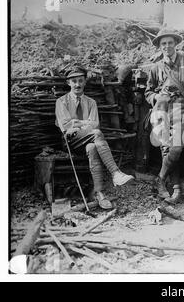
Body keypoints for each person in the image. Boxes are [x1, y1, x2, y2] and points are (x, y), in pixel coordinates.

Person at [55, 66, 134, 209]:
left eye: (80, 80)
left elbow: (95, 123)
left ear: (85, 82)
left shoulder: (91, 102)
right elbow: (66, 126)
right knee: (96, 134)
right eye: (74, 81)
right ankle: (115, 173)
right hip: (70, 142)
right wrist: (85, 124)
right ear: (68, 83)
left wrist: (77, 123)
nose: (77, 84)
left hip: (87, 140)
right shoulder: (61, 102)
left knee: (92, 147)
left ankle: (98, 192)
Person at [145, 29, 184, 204]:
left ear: (175, 44)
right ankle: (176, 188)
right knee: (166, 149)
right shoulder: (156, 67)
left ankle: (160, 179)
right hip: (162, 111)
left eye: (170, 43)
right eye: (163, 43)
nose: (167, 46)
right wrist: (156, 97)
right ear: (160, 46)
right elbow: (148, 92)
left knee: (176, 147)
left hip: (182, 109)